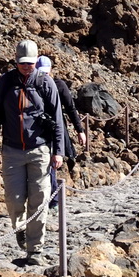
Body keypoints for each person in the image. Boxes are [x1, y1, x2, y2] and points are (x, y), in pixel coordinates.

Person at [0, 40, 64, 266]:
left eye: (30, 63)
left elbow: (58, 119)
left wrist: (58, 151)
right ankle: (19, 228)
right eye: (22, 63)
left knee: (39, 201)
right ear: (16, 61)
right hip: (11, 150)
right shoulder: (4, 83)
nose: (26, 67)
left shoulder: (45, 83)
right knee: (13, 200)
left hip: (40, 150)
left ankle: (34, 249)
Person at [36, 55, 85, 206]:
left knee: (51, 163)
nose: (44, 74)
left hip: (55, 129)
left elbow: (71, 109)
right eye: (40, 71)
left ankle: (53, 200)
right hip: (36, 130)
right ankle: (45, 199)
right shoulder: (31, 85)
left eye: (46, 71)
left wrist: (80, 130)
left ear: (50, 70)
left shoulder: (59, 85)